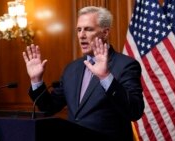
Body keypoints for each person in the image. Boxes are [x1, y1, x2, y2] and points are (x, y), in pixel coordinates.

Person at [22, 6, 144, 141]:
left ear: (105, 33)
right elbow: (49, 107)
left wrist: (106, 77)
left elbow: (135, 111)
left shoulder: (125, 65)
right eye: (79, 30)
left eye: (88, 29)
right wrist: (36, 81)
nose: (81, 35)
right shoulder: (71, 69)